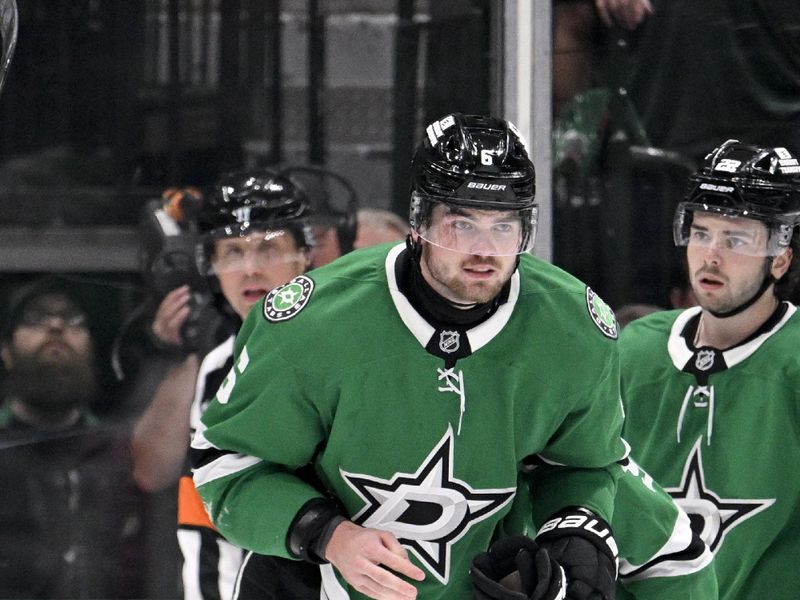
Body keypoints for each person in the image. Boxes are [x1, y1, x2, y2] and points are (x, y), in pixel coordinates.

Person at [191, 113, 629, 600]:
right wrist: (329, 535)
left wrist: (576, 530)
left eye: (503, 227)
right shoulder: (312, 322)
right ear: (419, 222)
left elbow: (584, 465)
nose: (483, 251)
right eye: (461, 224)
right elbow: (223, 465)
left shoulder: (573, 330)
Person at [618, 139, 800, 599]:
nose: (711, 256)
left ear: (780, 258)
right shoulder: (634, 349)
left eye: (736, 239)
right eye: (701, 233)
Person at [130, 170, 317, 600]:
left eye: (268, 248)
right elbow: (202, 516)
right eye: (232, 251)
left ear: (304, 254)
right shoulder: (217, 364)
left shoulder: (352, 350)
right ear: (210, 266)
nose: (250, 267)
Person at [0, 275, 146, 598]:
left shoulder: (125, 453)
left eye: (73, 320)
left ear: (92, 348)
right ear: (6, 351)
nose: (56, 326)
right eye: (35, 318)